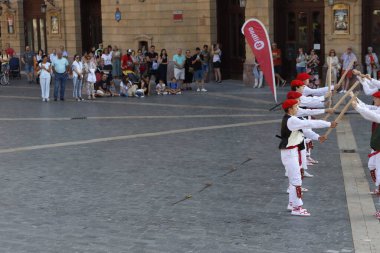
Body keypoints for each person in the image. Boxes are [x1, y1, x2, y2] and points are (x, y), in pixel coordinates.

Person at [279, 99, 336, 216]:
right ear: (290, 109)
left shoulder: (294, 120)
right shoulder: (291, 120)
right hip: (290, 152)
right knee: (296, 180)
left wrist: (317, 137)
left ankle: (292, 203)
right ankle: (297, 208)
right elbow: (310, 124)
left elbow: (305, 130)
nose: (297, 109)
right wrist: (328, 124)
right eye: (296, 107)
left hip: (292, 151)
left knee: (294, 179)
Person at [351, 91, 380, 219]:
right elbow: (368, 108)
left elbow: (370, 115)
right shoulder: (378, 108)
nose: (373, 99)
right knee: (371, 166)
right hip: (376, 147)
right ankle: (378, 188)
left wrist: (357, 107)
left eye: (376, 97)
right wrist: (356, 100)